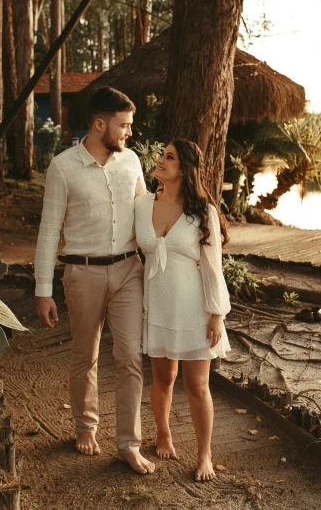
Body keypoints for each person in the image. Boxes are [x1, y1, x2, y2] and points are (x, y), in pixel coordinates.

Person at [34, 86, 155, 475]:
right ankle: (86, 427)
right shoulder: (63, 167)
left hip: (128, 271)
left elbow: (147, 214)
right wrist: (42, 290)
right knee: (85, 356)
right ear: (100, 124)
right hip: (82, 273)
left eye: (130, 125)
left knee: (130, 358)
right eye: (123, 125)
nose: (129, 133)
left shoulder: (131, 162)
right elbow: (49, 231)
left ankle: (128, 445)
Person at [135, 139, 232, 482]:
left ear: (185, 169)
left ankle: (204, 454)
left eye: (169, 157)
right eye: (162, 154)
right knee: (163, 378)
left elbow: (212, 265)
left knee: (197, 385)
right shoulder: (142, 204)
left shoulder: (202, 212)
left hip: (194, 308)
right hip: (158, 304)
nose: (160, 160)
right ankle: (163, 433)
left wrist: (216, 313)